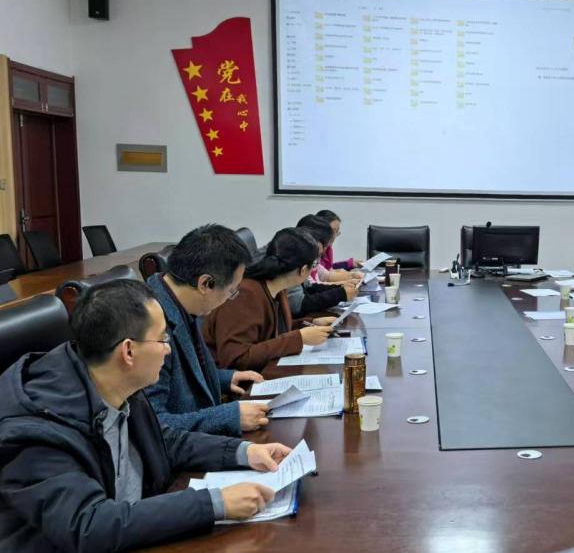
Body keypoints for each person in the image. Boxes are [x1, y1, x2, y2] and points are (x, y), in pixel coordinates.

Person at [0, 280, 292, 551]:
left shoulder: (115, 382)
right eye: (162, 339)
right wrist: (214, 504)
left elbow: (163, 441)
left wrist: (244, 452)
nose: (168, 350)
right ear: (128, 351)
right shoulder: (38, 431)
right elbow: (88, 525)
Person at [145, 225, 270, 435]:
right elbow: (152, 425)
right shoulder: (150, 325)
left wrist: (225, 378)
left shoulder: (181, 302)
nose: (229, 299)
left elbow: (179, 377)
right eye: (231, 291)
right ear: (205, 283)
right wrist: (228, 418)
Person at [203, 228, 336, 372]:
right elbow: (237, 359)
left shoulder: (277, 286)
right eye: (314, 264)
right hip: (234, 381)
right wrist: (299, 338)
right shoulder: (244, 294)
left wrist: (310, 324)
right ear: (303, 270)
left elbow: (274, 330)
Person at [288, 218, 356, 317]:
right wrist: (339, 294)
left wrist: (340, 288)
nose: (325, 248)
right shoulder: (289, 261)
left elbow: (309, 287)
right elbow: (298, 305)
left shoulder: (300, 255)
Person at [297, 214, 362, 285]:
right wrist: (345, 283)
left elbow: (326, 274)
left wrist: (352, 276)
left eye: (336, 232)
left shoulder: (321, 252)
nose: (332, 237)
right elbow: (313, 287)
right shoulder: (302, 261)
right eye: (333, 231)